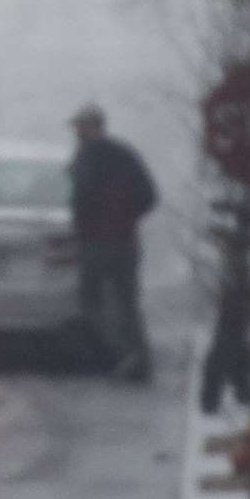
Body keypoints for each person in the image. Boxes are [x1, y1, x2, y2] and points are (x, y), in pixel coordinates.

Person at [69, 103, 163, 383]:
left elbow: (80, 198)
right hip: (123, 242)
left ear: (96, 126)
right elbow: (149, 196)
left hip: (97, 243)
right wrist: (127, 218)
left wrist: (98, 220)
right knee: (126, 303)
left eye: (81, 126)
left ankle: (121, 355)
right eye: (77, 127)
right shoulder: (124, 155)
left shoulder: (85, 158)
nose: (78, 132)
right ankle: (136, 357)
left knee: (92, 303)